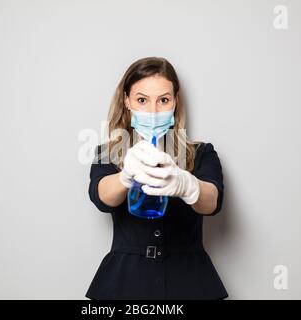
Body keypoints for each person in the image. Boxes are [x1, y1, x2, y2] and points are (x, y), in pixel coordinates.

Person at [86, 57, 228, 300]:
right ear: (127, 101)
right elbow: (101, 196)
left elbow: (212, 201)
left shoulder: (202, 152)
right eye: (142, 100)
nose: (152, 111)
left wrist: (188, 186)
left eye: (163, 100)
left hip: (191, 281)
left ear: (175, 102)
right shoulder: (106, 153)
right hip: (125, 282)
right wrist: (125, 176)